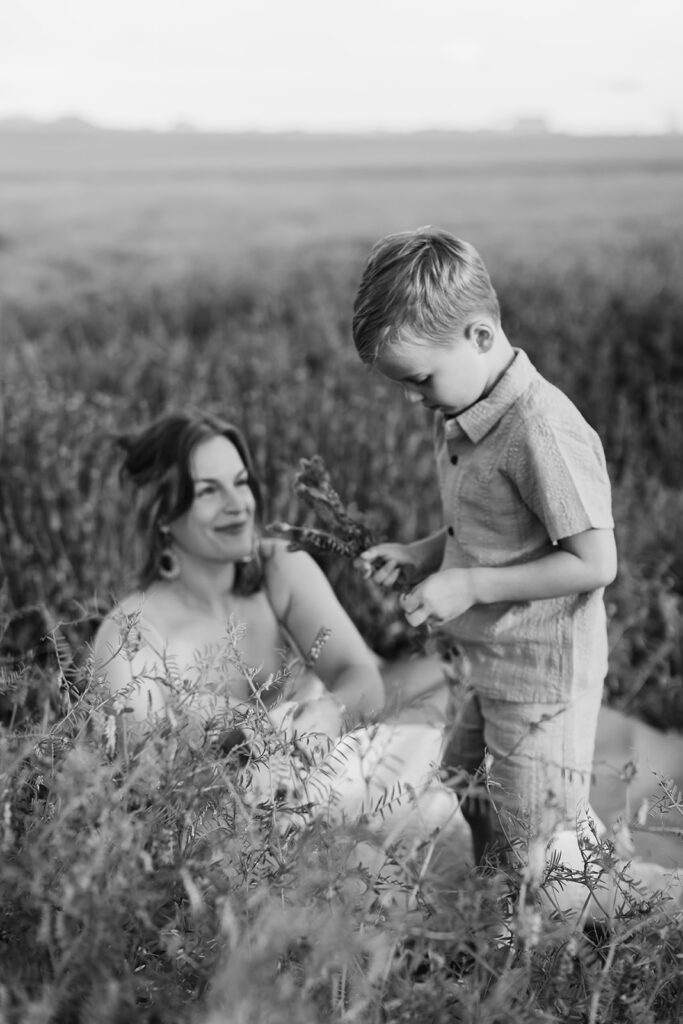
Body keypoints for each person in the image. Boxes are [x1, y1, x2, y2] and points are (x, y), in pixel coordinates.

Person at [352, 227, 618, 867]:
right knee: (466, 787)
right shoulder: (467, 416)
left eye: (419, 379)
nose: (415, 399)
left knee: (536, 831)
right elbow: (490, 530)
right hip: (487, 660)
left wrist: (469, 585)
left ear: (478, 335)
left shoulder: (541, 428)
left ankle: (542, 936)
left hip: (541, 679)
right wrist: (421, 554)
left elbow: (595, 562)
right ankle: (490, 896)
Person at [93, 411, 468, 855]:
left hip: (334, 774)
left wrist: (330, 712)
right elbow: (145, 775)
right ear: (162, 515)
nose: (240, 505)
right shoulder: (129, 634)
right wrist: (249, 739)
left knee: (454, 768)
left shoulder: (277, 567)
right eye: (209, 491)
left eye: (241, 482)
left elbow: (362, 678)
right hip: (231, 826)